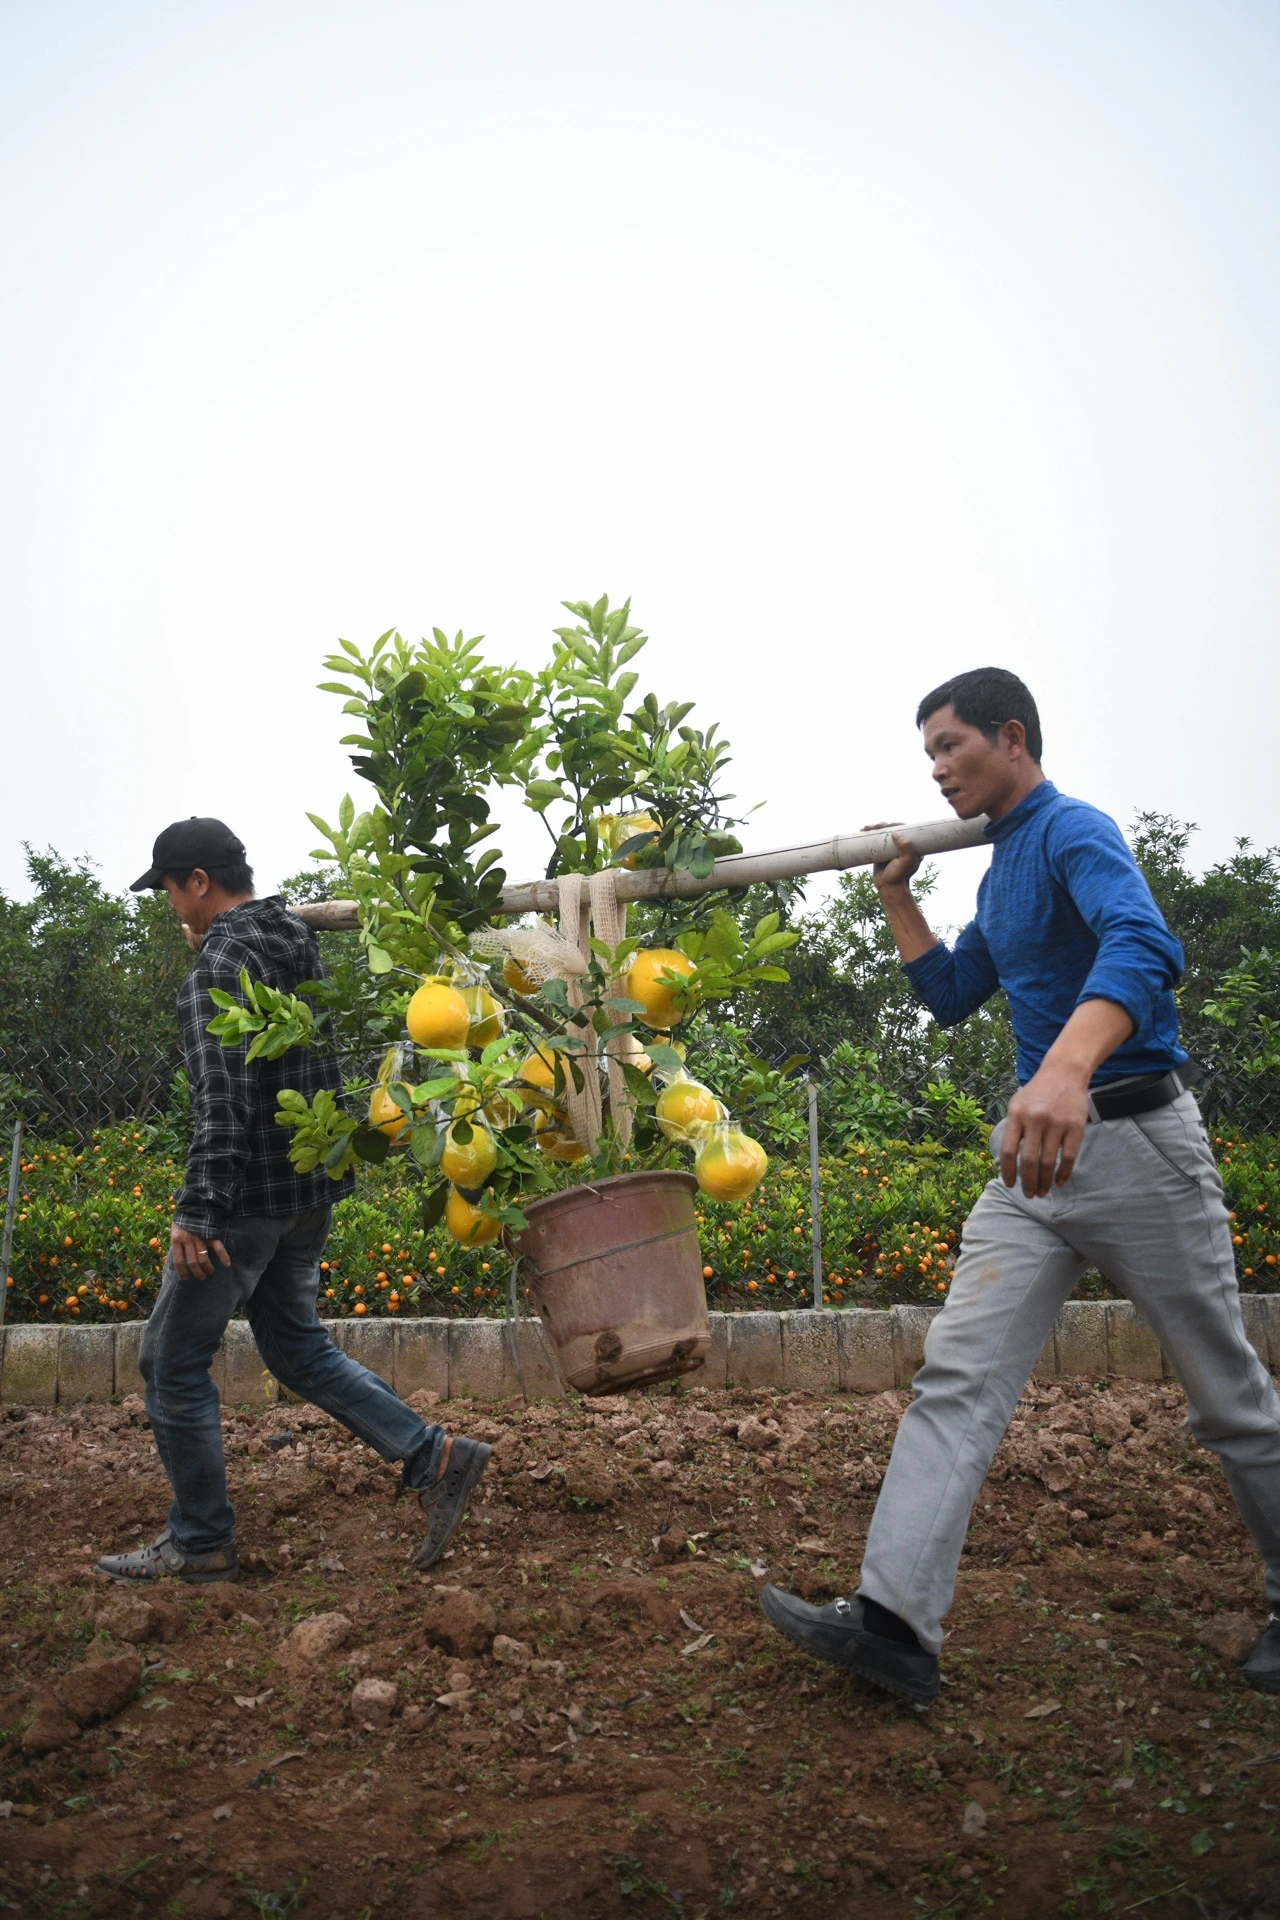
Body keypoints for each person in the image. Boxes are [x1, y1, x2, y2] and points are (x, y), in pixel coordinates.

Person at [759, 669, 1280, 1703]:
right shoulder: (999, 873)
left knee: (1227, 1398)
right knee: (956, 1376)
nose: (937, 770)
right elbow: (952, 993)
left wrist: (1066, 1068)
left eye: (949, 746)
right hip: (1032, 1165)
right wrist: (897, 895)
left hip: (1136, 1143)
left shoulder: (1072, 831)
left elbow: (1143, 944)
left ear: (1010, 737)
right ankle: (896, 1624)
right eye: (927, 756)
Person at [96, 816, 489, 1584]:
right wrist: (210, 941)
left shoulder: (219, 968)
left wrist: (199, 1210)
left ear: (198, 882)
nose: (169, 905)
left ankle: (201, 1541)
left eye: (170, 890)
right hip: (306, 1192)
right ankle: (432, 1454)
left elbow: (222, 1099)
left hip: (241, 1206)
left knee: (169, 1363)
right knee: (295, 1347)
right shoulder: (294, 940)